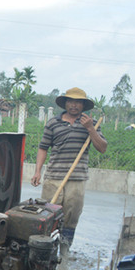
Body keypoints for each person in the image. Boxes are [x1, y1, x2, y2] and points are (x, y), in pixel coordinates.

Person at [31, 87, 107, 253]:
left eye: (78, 102)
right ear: (65, 103)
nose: (74, 105)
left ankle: (64, 252)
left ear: (83, 105)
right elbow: (43, 148)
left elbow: (102, 147)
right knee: (48, 216)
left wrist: (90, 129)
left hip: (77, 179)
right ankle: (46, 253)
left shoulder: (92, 123)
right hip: (53, 177)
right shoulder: (53, 123)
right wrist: (37, 171)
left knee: (71, 218)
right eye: (71, 101)